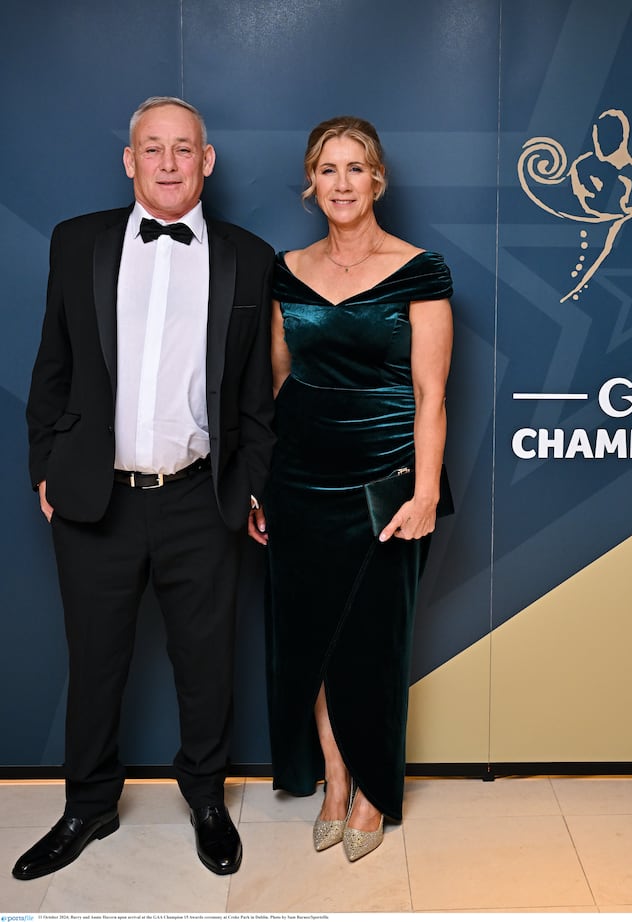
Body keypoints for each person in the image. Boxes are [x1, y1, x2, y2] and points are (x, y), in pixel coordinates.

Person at [16, 96, 275, 880]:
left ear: (208, 162)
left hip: (203, 494)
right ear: (130, 160)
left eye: (184, 149)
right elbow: (51, 367)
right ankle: (88, 805)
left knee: (207, 661)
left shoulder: (249, 256)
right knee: (95, 661)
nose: (169, 162)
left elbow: (257, 395)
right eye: (152, 149)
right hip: (97, 496)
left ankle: (205, 799)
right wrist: (44, 466)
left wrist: (254, 486)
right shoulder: (76, 243)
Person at [251, 115, 453, 861]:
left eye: (355, 168)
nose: (341, 183)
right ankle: (335, 778)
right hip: (299, 477)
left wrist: (425, 490)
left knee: (373, 639)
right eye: (328, 169)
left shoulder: (422, 268)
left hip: (386, 480)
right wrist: (262, 486)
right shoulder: (286, 267)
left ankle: (373, 786)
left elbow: (432, 394)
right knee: (310, 637)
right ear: (312, 180)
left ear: (377, 180)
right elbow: (277, 381)